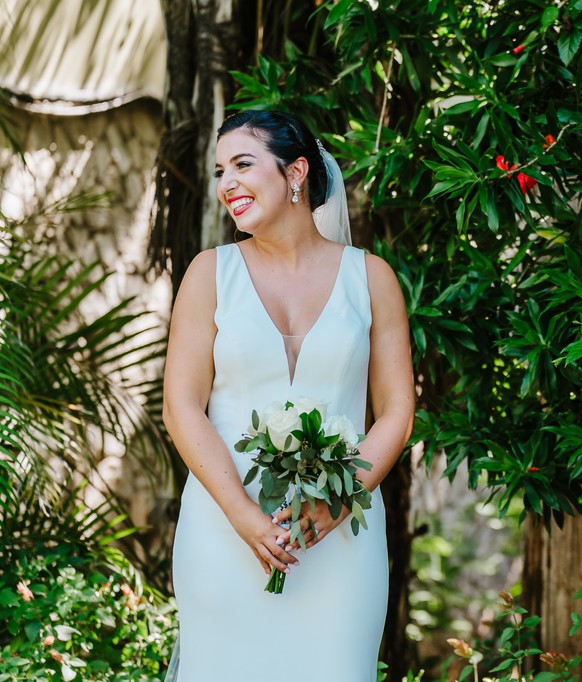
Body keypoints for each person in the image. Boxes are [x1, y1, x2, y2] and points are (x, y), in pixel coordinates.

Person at [163, 110, 414, 680]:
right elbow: (181, 407)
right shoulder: (209, 274)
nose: (227, 183)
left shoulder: (372, 279)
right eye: (220, 170)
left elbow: (396, 412)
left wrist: (339, 498)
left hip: (340, 538)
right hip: (224, 531)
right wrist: (245, 517)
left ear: (296, 171)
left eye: (243, 165)